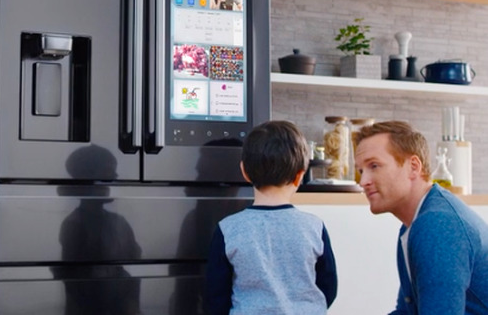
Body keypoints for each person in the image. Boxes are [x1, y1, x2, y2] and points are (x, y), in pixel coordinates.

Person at [354, 120, 488, 314]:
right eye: (360, 171)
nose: (363, 181)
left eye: (374, 166)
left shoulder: (438, 225)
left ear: (413, 167)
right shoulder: (414, 224)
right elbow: (406, 312)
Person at [205, 120, 338, 314]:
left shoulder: (228, 229)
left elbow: (216, 297)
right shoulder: (314, 227)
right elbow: (328, 286)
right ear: (299, 176)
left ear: (245, 172)